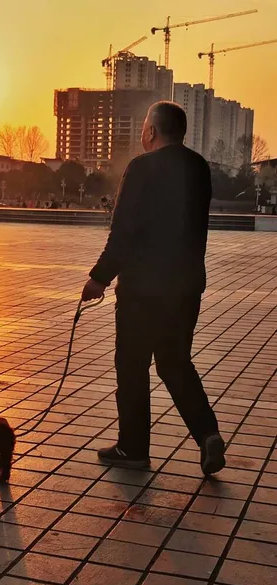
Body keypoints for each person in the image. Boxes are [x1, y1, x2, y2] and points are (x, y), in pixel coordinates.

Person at [81, 101, 225, 476]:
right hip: (186, 286)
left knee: (132, 366)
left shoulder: (142, 167)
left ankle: (134, 448)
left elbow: (124, 230)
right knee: (175, 363)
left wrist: (100, 276)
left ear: (151, 131)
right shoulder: (198, 168)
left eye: (145, 125)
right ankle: (208, 433)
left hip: (143, 289)